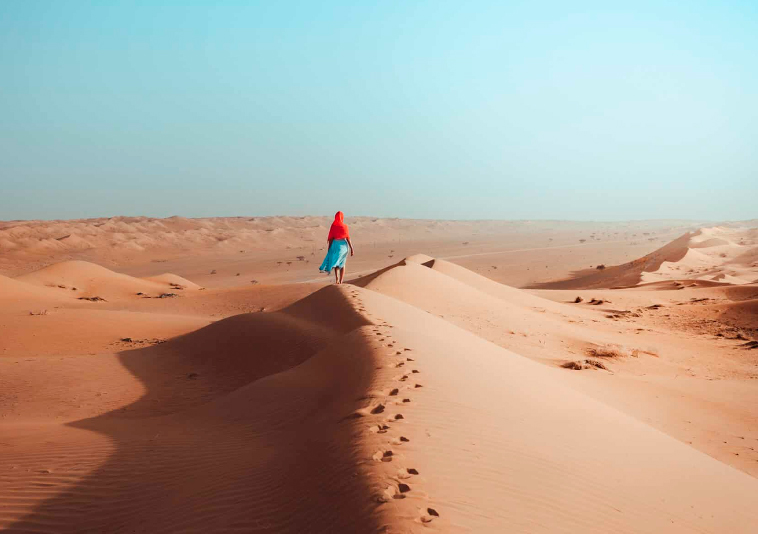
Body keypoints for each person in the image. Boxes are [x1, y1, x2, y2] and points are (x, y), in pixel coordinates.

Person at [319, 211, 354, 284]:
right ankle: (341, 281)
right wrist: (351, 248)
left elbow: (331, 238)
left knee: (337, 263)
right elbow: (348, 238)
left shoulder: (333, 226)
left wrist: (329, 249)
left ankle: (337, 279)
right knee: (342, 263)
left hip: (335, 245)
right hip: (344, 246)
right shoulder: (345, 226)